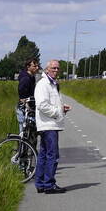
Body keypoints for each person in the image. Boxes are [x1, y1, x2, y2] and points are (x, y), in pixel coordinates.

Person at [33, 59, 71, 193]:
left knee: (44, 154)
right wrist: (57, 112)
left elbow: (51, 102)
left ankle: (41, 183)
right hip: (48, 124)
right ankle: (49, 184)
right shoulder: (43, 84)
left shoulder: (52, 83)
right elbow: (42, 105)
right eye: (53, 68)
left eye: (57, 68)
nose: (56, 71)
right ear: (47, 69)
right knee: (52, 155)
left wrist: (61, 107)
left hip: (50, 123)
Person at [16, 58, 39, 135]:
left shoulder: (31, 77)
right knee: (24, 133)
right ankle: (22, 146)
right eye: (34, 66)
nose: (37, 68)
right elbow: (21, 94)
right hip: (24, 110)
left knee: (31, 133)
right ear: (28, 67)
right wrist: (27, 105)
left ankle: (28, 145)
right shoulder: (25, 78)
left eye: (37, 66)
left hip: (30, 109)